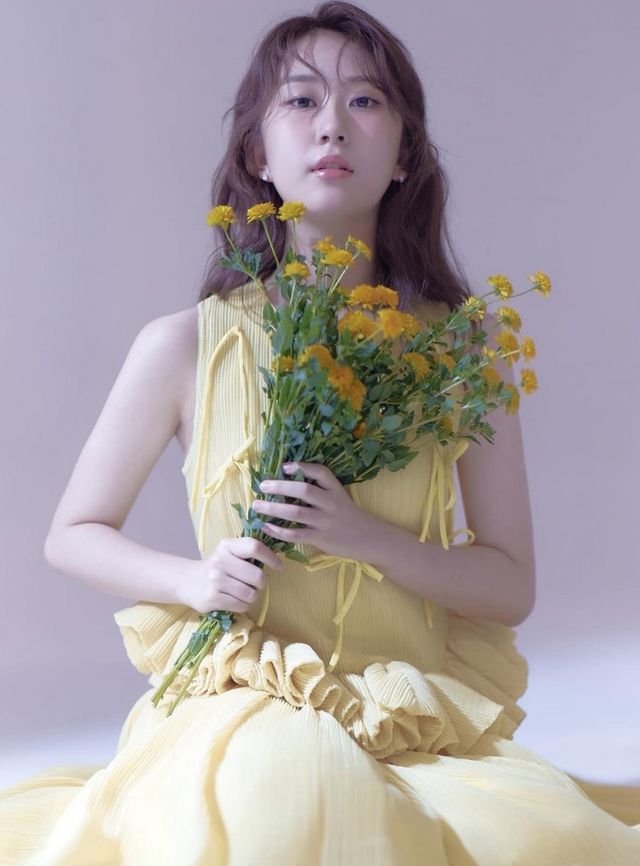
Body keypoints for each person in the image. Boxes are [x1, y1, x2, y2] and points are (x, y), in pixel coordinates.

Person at [1, 3, 639, 864]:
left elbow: (509, 585)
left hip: (408, 722)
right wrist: (193, 580)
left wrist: (361, 536)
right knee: (287, 806)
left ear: (405, 153)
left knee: (555, 843)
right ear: (257, 155)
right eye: (301, 101)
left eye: (366, 101)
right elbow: (72, 533)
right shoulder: (185, 345)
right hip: (249, 703)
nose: (333, 123)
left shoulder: (464, 351)